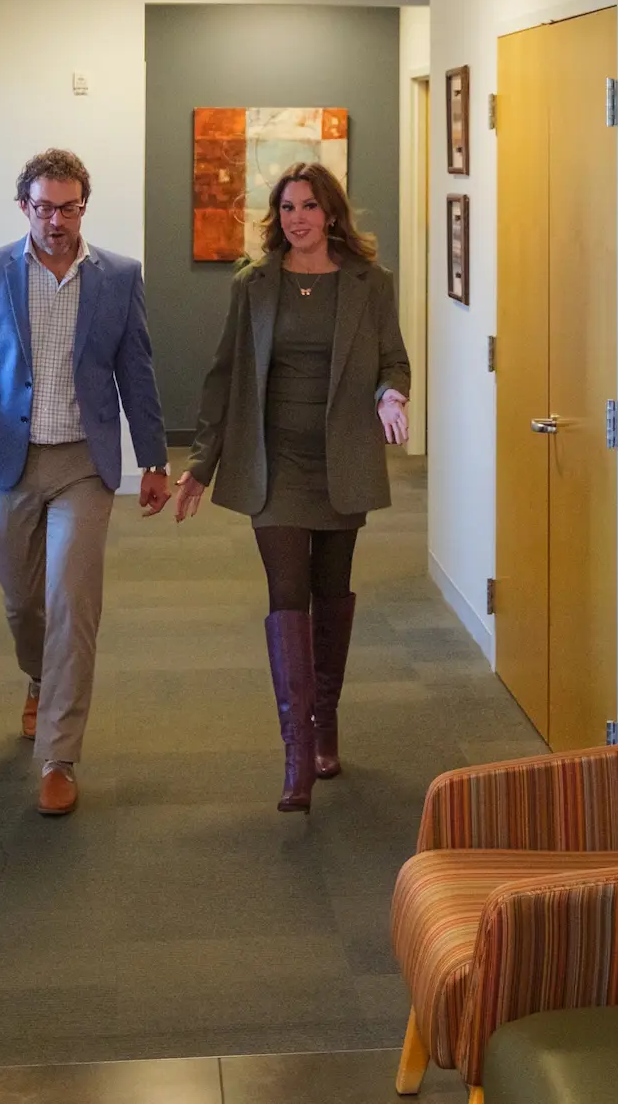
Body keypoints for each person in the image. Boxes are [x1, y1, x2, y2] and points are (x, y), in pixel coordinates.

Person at [0, 148, 170, 818]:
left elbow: (137, 370)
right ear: (24, 207)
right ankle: (37, 674)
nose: (56, 220)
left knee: (73, 600)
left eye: (68, 207)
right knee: (22, 599)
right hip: (10, 462)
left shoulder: (118, 276)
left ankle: (59, 755)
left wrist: (154, 459)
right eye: (44, 207)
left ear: (83, 207)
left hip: (83, 467)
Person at [177, 164, 410, 812]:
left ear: (331, 213)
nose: (297, 218)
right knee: (287, 594)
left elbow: (393, 357)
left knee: (330, 590)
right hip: (274, 462)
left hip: (343, 462)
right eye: (286, 207)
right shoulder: (255, 285)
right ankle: (295, 754)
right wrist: (201, 463)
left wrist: (392, 394)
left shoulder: (369, 284)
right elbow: (224, 375)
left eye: (308, 206)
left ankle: (324, 721)